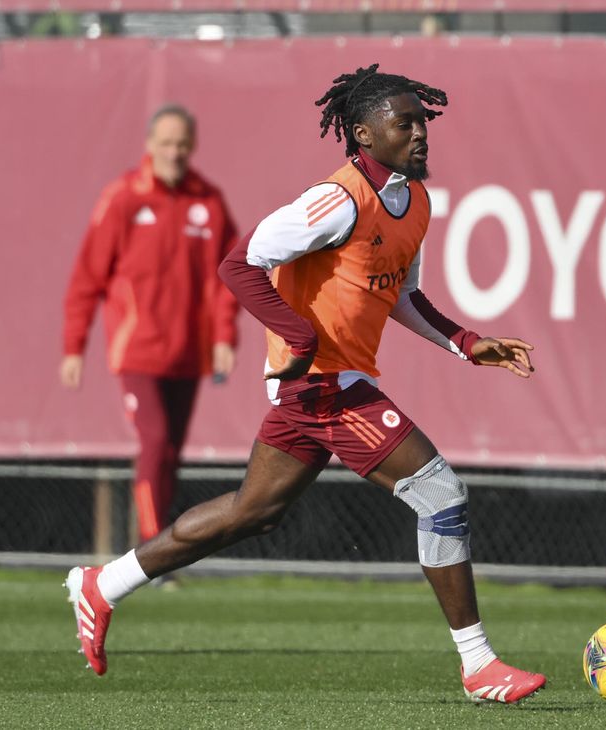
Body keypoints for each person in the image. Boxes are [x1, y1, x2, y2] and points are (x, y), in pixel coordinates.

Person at [65, 65, 546, 705]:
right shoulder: (337, 199)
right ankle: (478, 664)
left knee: (252, 513)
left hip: (329, 382)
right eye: (405, 123)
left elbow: (403, 296)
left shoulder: (417, 201)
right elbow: (239, 264)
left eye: (423, 121)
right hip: (321, 384)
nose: (420, 133)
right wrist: (298, 336)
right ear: (363, 134)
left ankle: (104, 584)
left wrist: (465, 342)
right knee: (442, 496)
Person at [61, 105, 240, 556]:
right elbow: (88, 277)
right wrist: (74, 345)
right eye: (166, 143)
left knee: (171, 452)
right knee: (154, 440)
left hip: (188, 352)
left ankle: (159, 547)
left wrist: (223, 337)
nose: (175, 153)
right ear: (149, 145)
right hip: (138, 351)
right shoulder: (124, 197)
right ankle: (152, 550)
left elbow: (229, 279)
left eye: (182, 144)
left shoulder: (209, 201)